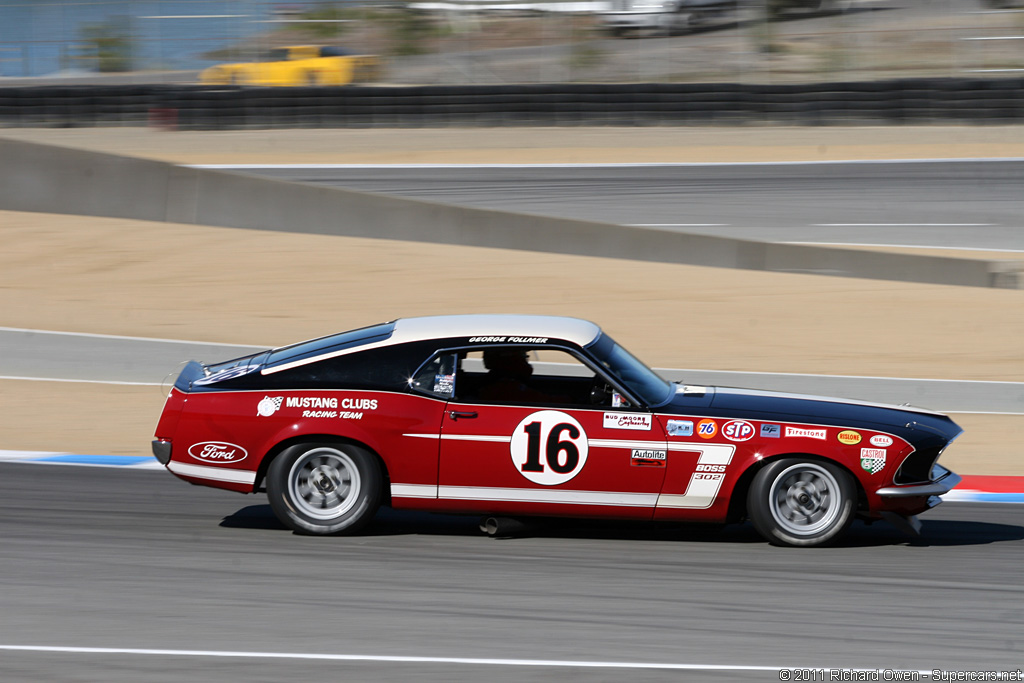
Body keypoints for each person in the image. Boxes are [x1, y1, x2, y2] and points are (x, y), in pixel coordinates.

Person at [478, 348, 564, 403]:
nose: (526, 362)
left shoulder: (496, 381)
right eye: (523, 357)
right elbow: (545, 401)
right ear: (510, 361)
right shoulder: (507, 387)